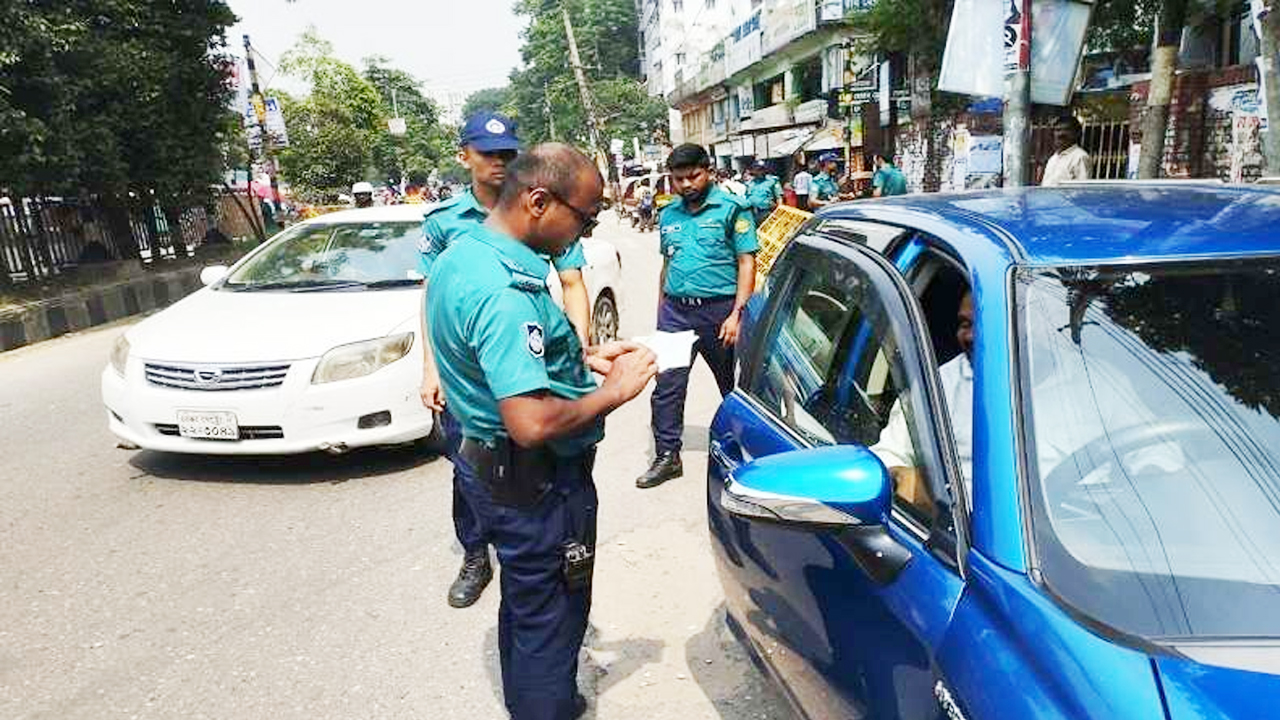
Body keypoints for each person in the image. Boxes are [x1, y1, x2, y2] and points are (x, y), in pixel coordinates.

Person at [427, 142, 658, 720]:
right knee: (552, 613)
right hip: (536, 483)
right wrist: (615, 391)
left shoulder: (466, 253)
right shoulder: (506, 292)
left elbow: (504, 363)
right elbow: (530, 422)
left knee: (529, 605)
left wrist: (581, 360)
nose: (586, 231)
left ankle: (541, 699)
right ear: (537, 201)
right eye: (585, 216)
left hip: (495, 472)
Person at [418, 112, 594, 610]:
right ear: (464, 156)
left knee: (517, 481)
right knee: (473, 461)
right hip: (476, 371)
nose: (499, 162)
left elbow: (572, 282)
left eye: (507, 154)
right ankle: (476, 553)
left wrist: (577, 351)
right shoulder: (447, 223)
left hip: (522, 358)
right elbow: (433, 296)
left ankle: (519, 559)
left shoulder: (546, 212)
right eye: (488, 152)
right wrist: (431, 368)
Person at [637, 143, 759, 489]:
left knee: (733, 387)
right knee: (667, 388)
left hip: (720, 312)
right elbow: (667, 265)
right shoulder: (669, 214)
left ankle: (748, 455)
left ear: (708, 172)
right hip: (676, 313)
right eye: (679, 179)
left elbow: (747, 262)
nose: (687, 184)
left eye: (694, 176)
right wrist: (661, 310)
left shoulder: (733, 209)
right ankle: (667, 456)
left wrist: (737, 314)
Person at [871, 290, 974, 513]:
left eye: (983, 329)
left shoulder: (1066, 392)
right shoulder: (937, 389)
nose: (970, 337)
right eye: (965, 324)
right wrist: (913, 483)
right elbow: (886, 459)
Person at [1041, 116, 1091, 186]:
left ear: (1077, 133)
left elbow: (1082, 189)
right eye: (1058, 130)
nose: (1060, 134)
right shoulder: (1053, 159)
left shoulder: (1080, 157)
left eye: (1067, 130)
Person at [743, 161, 781, 225]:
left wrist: (779, 213)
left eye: (760, 169)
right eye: (756, 169)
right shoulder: (750, 183)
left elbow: (779, 198)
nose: (758, 172)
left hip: (767, 212)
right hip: (753, 214)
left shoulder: (772, 181)